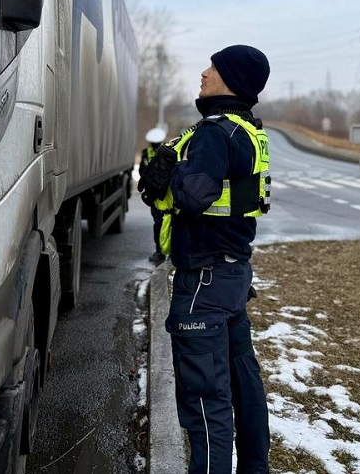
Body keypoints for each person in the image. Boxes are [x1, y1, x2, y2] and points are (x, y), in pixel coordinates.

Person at [138, 44, 272, 473]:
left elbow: (195, 195)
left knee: (204, 397)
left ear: (230, 79)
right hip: (232, 272)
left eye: (212, 67)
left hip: (205, 280)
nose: (203, 73)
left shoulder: (215, 133)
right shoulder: (248, 131)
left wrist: (169, 168)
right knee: (242, 382)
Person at [139, 127, 168, 264]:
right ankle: (167, 252)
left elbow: (141, 171)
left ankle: (160, 252)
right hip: (166, 195)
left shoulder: (146, 153)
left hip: (154, 194)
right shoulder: (170, 151)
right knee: (168, 223)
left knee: (158, 224)